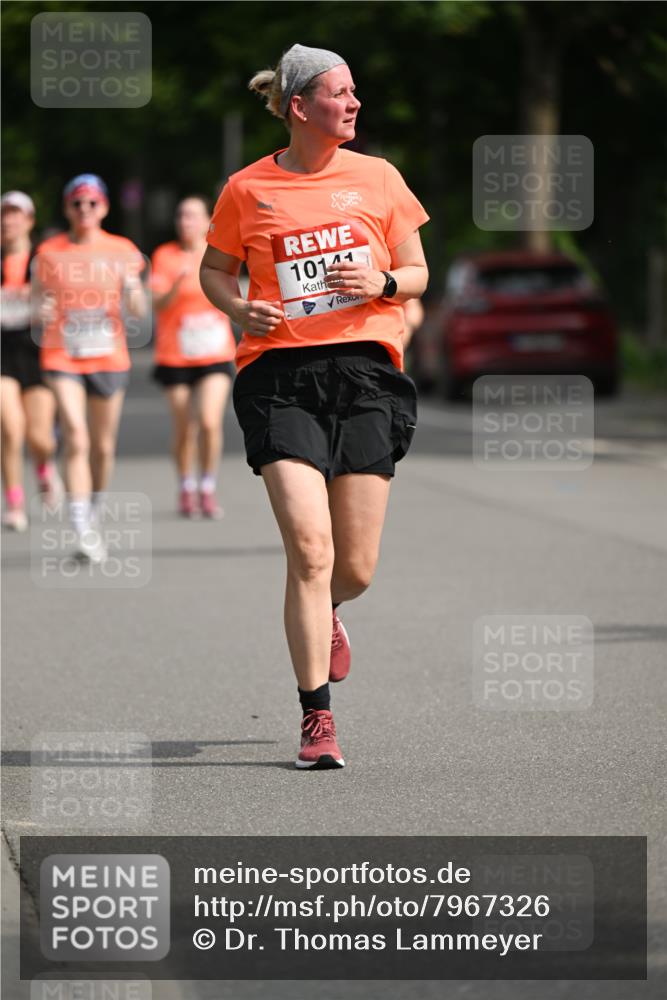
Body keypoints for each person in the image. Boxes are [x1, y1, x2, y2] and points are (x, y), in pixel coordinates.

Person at [200, 44, 429, 769]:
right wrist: (239, 307)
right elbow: (214, 270)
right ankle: (315, 719)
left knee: (352, 568)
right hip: (279, 377)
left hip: (365, 373)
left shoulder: (379, 178)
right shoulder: (246, 188)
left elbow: (418, 271)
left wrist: (382, 280)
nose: (354, 103)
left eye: (355, 91)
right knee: (309, 548)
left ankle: (328, 611)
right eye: (340, 93)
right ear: (300, 108)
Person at [34, 174, 146, 562]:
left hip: (108, 355)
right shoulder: (49, 252)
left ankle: (93, 512)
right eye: (77, 203)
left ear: (104, 208)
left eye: (92, 203)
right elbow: (34, 302)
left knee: (101, 446)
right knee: (77, 437)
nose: (85, 209)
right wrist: (41, 310)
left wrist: (132, 292)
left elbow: (140, 310)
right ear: (67, 208)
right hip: (61, 353)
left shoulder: (123, 250)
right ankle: (81, 528)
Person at [151, 196, 236, 518]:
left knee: (210, 421)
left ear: (206, 221)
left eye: (192, 216)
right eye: (181, 215)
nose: (185, 221)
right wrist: (176, 284)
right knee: (185, 427)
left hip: (214, 352)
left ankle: (207, 487)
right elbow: (156, 304)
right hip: (175, 355)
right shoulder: (165, 256)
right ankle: (186, 485)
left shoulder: (219, 255)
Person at [1, 191, 61, 531]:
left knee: (40, 436)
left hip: (37, 350)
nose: (9, 221)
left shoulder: (44, 260)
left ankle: (43, 466)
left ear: (29, 220)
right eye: (4, 214)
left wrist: (49, 305)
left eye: (16, 214)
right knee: (10, 427)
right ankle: (13, 500)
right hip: (2, 351)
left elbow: (64, 296)